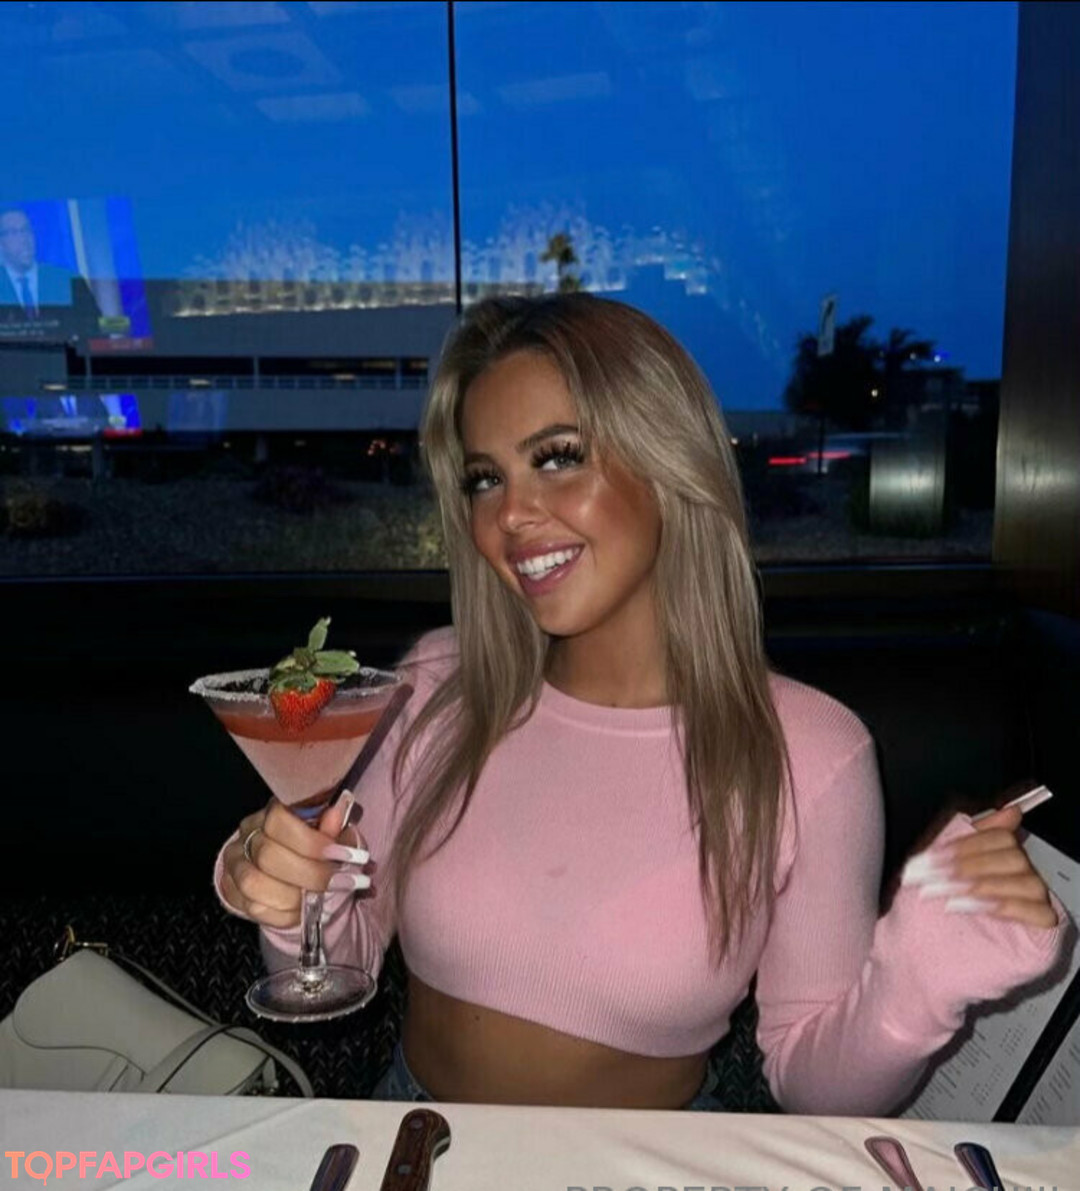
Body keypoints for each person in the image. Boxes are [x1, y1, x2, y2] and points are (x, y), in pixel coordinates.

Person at [213, 294, 1071, 1113]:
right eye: (484, 478)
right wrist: (289, 896)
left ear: (668, 461)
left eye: (557, 456)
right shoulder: (438, 684)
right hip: (418, 1136)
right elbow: (346, 952)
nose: (511, 514)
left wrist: (920, 973)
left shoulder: (812, 751)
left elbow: (811, 1087)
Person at [0, 206, 99, 332]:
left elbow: (95, 330)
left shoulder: (67, 281)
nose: (24, 239)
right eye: (14, 233)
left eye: (26, 230)